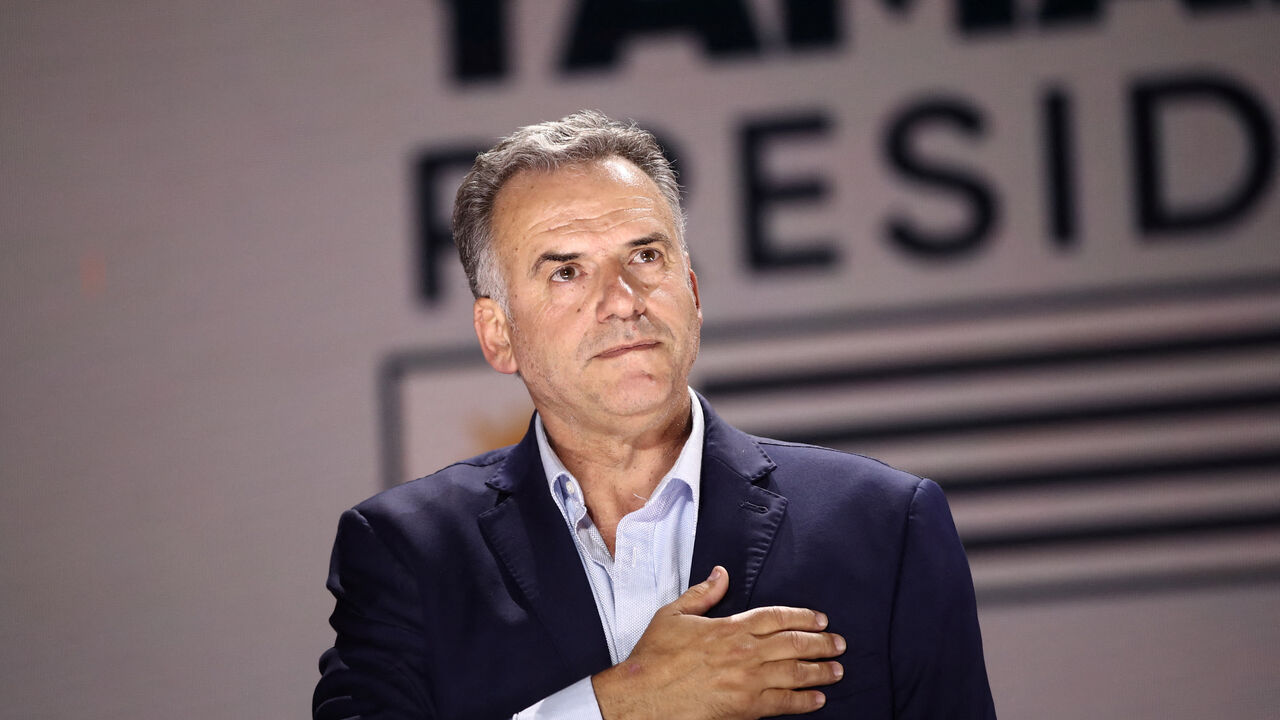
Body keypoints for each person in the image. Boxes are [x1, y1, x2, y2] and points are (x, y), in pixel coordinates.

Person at [314, 110, 995, 719]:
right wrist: (622, 705)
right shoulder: (408, 553)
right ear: (498, 335)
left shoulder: (883, 526)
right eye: (566, 271)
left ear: (691, 292)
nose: (622, 299)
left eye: (645, 256)